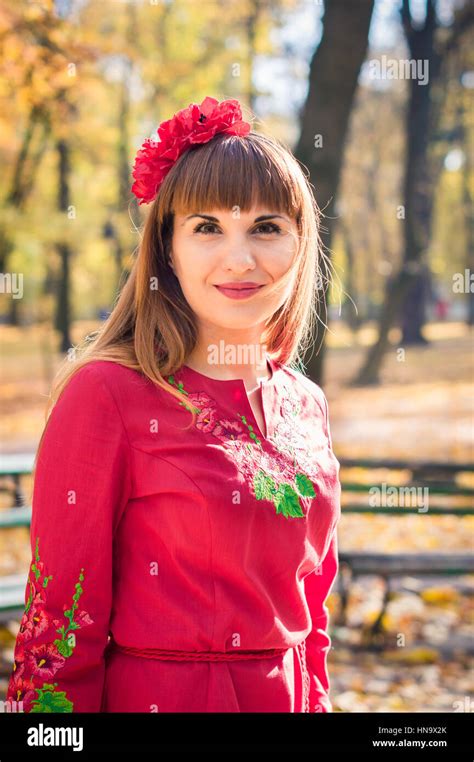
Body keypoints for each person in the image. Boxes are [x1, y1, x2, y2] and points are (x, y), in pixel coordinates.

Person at [5, 96, 341, 713]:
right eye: (207, 228)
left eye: (266, 227)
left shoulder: (306, 403)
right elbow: (58, 631)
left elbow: (312, 609)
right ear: (167, 249)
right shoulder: (106, 395)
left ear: (300, 245)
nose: (240, 259)